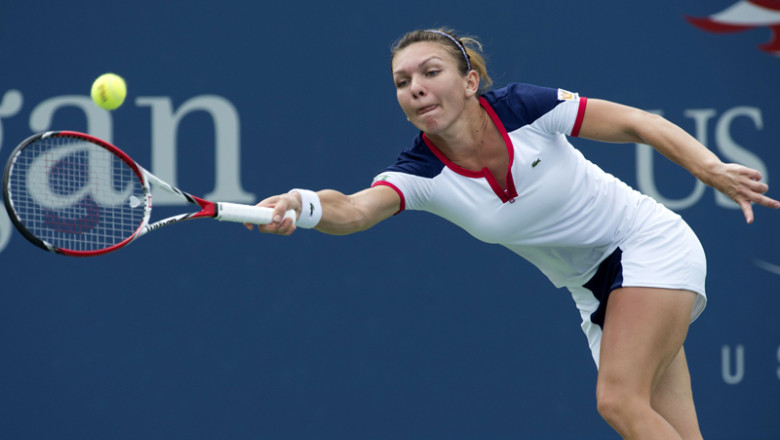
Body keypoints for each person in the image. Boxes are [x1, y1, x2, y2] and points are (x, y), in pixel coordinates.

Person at [245, 28, 779, 439]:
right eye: (403, 83)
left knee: (618, 401)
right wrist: (305, 204)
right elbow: (357, 209)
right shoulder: (421, 173)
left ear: (470, 81)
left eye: (430, 72)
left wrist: (709, 167)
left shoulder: (526, 109)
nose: (416, 88)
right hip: (593, 294)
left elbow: (639, 123)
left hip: (646, 244)